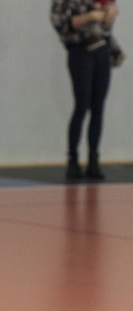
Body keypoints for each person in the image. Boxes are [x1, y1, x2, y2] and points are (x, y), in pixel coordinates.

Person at [51, 0, 121, 180]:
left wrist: (110, 13)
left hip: (102, 48)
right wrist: (89, 17)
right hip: (80, 49)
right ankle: (73, 159)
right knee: (81, 105)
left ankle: (93, 159)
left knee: (98, 107)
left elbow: (107, 20)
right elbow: (60, 23)